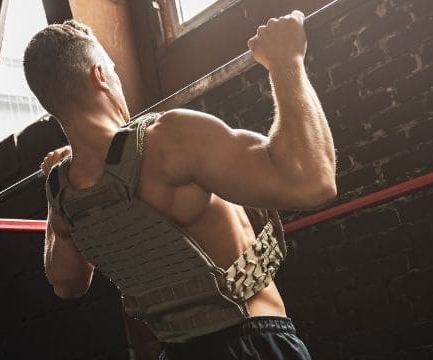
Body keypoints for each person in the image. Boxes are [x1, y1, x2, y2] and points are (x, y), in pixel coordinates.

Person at [24, 10, 335, 360]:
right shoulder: (171, 140)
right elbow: (313, 182)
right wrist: (286, 61)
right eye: (112, 69)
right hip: (253, 342)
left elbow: (67, 284)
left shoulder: (66, 195)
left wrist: (55, 186)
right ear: (99, 76)